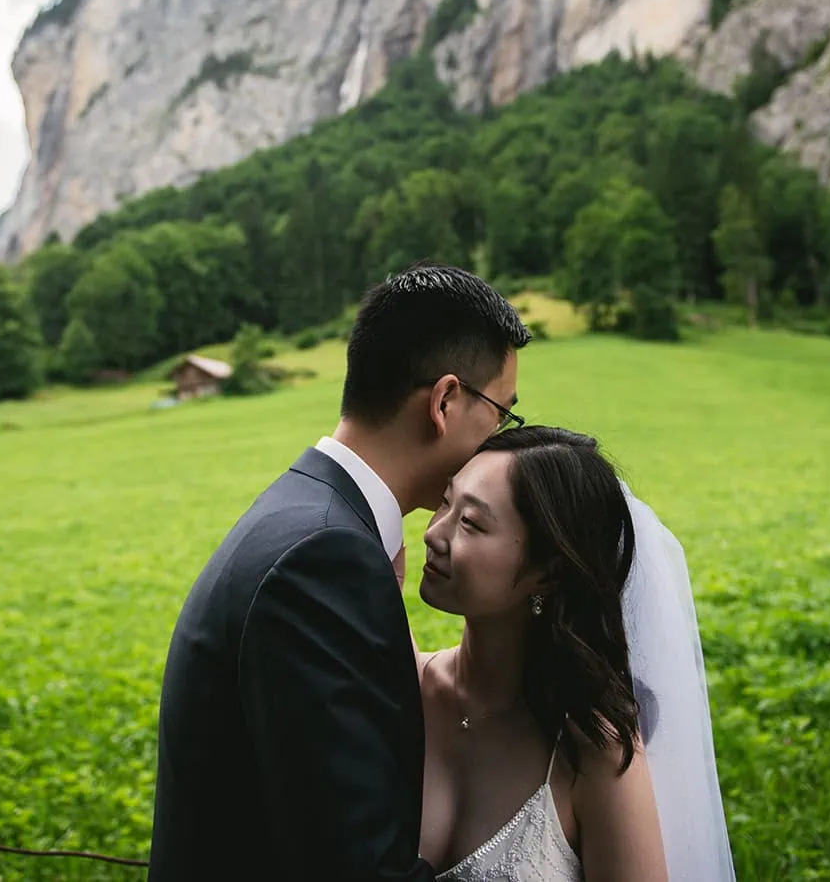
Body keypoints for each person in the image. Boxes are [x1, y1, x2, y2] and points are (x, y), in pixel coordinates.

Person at [148, 263, 531, 882]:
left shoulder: (306, 514)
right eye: (500, 415)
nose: (499, 443)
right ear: (444, 402)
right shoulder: (325, 559)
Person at [416, 426, 735, 881]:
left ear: (549, 572)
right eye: (446, 502)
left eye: (471, 522)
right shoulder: (401, 686)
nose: (434, 533)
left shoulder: (593, 752)